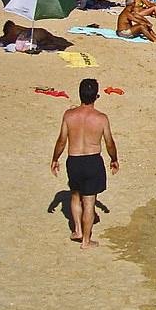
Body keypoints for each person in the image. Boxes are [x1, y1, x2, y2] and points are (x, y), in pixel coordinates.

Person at [50, 78, 119, 249]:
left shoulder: (69, 115)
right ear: (96, 96)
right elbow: (109, 142)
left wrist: (55, 158)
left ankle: (78, 230)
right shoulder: (101, 118)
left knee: (75, 195)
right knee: (89, 202)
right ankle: (86, 241)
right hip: (92, 160)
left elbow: (61, 141)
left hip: (73, 160)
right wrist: (114, 159)